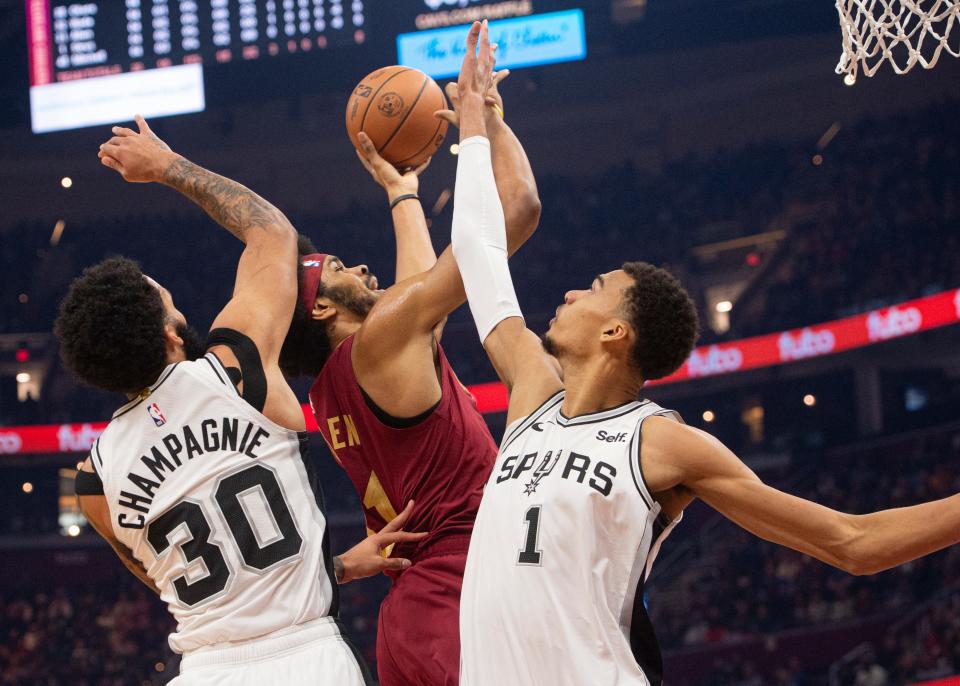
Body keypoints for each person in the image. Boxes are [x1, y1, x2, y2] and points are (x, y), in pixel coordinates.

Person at [449, 21, 960, 686]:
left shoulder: (662, 444)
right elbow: (480, 257)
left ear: (616, 333)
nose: (572, 290)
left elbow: (851, 543)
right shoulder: (531, 392)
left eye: (594, 289)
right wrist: (476, 122)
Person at [56, 117, 425, 685]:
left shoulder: (93, 480)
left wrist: (341, 566)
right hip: (307, 658)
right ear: (170, 333)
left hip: (203, 670)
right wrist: (165, 167)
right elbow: (272, 232)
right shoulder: (234, 370)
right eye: (166, 298)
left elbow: (179, 580)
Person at [278, 60, 540, 685]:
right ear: (317, 306)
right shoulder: (379, 341)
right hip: (462, 585)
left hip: (412, 614)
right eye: (339, 268)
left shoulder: (335, 387)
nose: (364, 270)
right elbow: (521, 210)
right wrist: (487, 125)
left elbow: (417, 297)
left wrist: (403, 192)